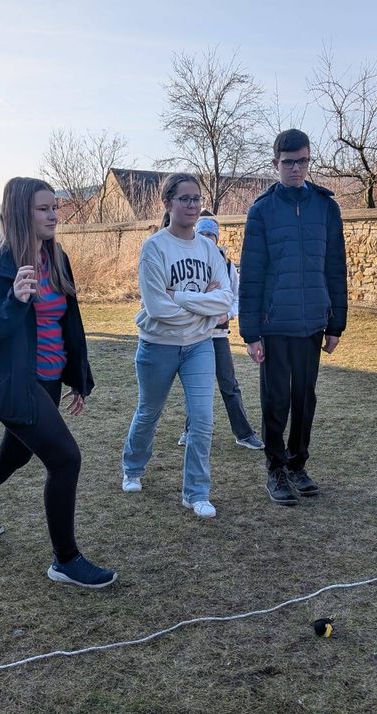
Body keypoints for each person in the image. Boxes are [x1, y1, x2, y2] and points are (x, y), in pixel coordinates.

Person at [0, 177, 117, 590]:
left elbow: (68, 323)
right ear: (22, 212)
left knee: (15, 454)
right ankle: (66, 560)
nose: (54, 215)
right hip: (14, 382)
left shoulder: (56, 256)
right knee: (65, 459)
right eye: (44, 209)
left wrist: (77, 377)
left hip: (49, 379)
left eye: (55, 207)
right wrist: (13, 302)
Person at [238, 128, 348, 506]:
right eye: (288, 162)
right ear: (275, 164)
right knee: (276, 399)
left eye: (302, 160)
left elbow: (335, 267)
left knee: (305, 397)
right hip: (274, 324)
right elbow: (251, 274)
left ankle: (298, 464)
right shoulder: (262, 210)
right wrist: (251, 332)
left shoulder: (326, 207)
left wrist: (336, 324)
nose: (296, 168)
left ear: (308, 160)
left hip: (313, 321)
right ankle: (276, 468)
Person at [121, 174, 233, 519]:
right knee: (149, 412)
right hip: (158, 345)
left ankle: (196, 492)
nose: (192, 206)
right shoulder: (154, 247)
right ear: (167, 203)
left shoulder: (208, 247)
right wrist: (203, 308)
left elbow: (226, 300)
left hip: (199, 345)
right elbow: (157, 308)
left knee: (202, 419)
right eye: (184, 199)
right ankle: (133, 467)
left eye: (196, 199)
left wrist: (183, 298)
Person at [177, 212, 264, 452]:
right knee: (196, 386)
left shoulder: (227, 266)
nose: (206, 238)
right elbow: (185, 296)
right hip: (194, 334)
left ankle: (244, 434)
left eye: (210, 234)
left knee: (229, 385)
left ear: (216, 238)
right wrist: (207, 298)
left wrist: (228, 313)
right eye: (202, 233)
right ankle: (190, 430)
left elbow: (235, 298)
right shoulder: (188, 262)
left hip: (217, 336)